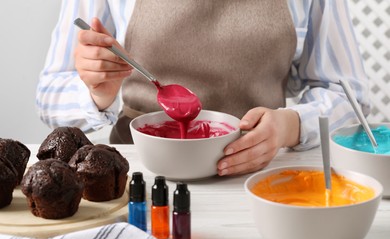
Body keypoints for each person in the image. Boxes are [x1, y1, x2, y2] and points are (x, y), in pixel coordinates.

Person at [36, 0, 369, 177]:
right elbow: (49, 95)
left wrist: (291, 126)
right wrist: (98, 93)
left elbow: (348, 94)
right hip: (140, 179)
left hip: (261, 178)